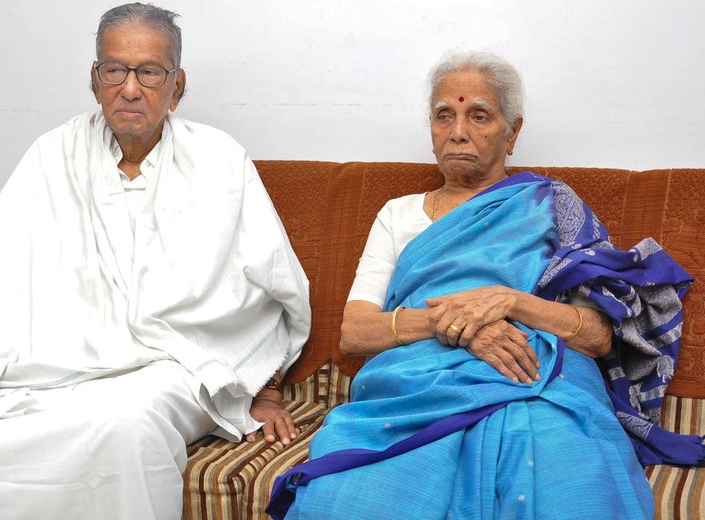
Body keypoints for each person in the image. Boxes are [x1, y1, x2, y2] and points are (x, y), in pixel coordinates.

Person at [0, 2, 311, 520]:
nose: (131, 88)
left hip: (169, 366)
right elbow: (1, 264)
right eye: (115, 70)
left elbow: (273, 292)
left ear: (177, 86)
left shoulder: (220, 162)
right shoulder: (54, 156)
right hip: (52, 363)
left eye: (149, 72)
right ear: (94, 79)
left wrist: (267, 391)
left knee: (125, 428)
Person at [268, 51, 696, 519]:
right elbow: (356, 332)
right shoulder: (398, 213)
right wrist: (456, 323)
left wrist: (511, 302)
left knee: (563, 486)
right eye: (444, 115)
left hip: (535, 378)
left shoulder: (554, 207)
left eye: (479, 116)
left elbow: (596, 337)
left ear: (512, 132)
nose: (457, 132)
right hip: (419, 386)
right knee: (353, 502)